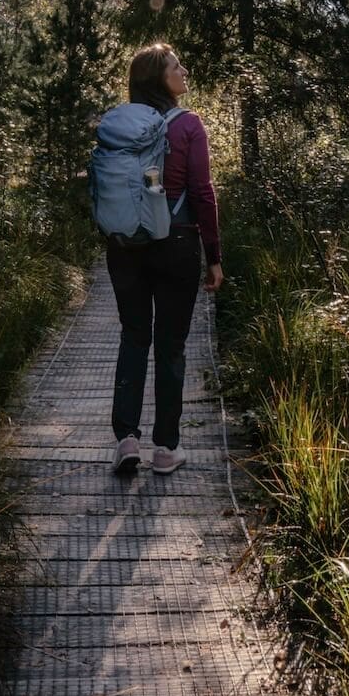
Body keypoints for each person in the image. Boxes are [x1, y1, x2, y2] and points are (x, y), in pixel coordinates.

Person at [107, 43, 224, 475]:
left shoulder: (120, 125)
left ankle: (126, 439)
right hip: (176, 242)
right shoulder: (188, 124)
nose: (184, 70)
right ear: (160, 77)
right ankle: (166, 448)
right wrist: (214, 256)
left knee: (134, 337)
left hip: (126, 246)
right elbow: (202, 192)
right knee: (171, 346)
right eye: (177, 66)